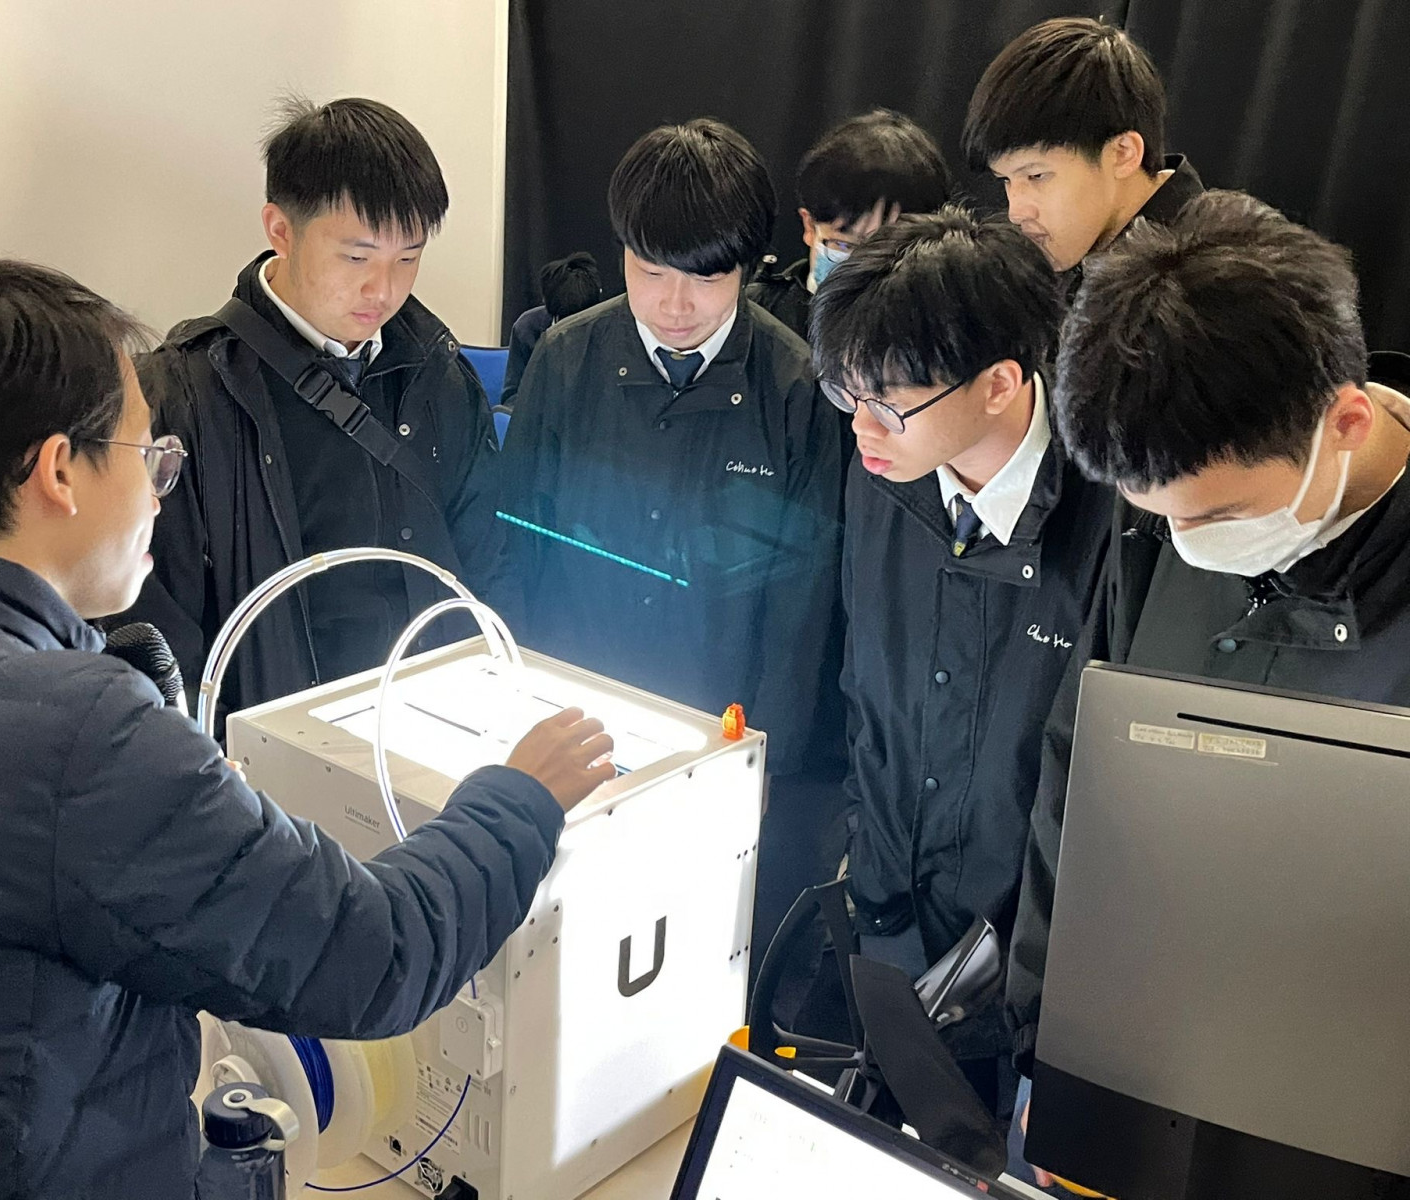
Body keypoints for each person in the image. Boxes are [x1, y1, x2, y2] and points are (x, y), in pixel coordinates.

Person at [0, 253, 616, 1199]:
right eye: (151, 456)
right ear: (59, 471)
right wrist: (520, 799)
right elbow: (376, 954)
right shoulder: (80, 735)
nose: (162, 492)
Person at [1006, 192, 1410, 1177]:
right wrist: (1047, 1043)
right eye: (1158, 516)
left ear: (1345, 421)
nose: (1185, 545)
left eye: (1217, 518)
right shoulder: (1164, 509)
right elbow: (1081, 782)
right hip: (1143, 1079)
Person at [804, 205, 1111, 1122]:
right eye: (846, 396)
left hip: (1032, 976)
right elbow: (865, 685)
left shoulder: (1116, 512)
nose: (862, 428)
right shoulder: (885, 465)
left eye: (888, 403)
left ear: (1000, 383)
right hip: (884, 914)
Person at [123, 96, 504, 720]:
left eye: (408, 258)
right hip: (270, 744)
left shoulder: (437, 372)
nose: (383, 289)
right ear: (280, 230)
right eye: (356, 257)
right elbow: (158, 634)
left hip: (436, 719)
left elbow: (488, 558)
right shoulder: (184, 395)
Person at [500, 117, 843, 783]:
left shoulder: (795, 385)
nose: (675, 304)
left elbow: (802, 608)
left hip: (717, 727)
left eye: (706, 279)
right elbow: (517, 543)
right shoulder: (566, 358)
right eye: (651, 272)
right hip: (575, 720)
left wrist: (765, 763)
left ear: (747, 266)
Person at [963, 16, 1204, 287]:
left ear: (1122, 154)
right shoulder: (1080, 250)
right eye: (1006, 180)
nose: (1016, 213)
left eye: (1036, 176)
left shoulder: (1207, 283)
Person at [750, 108, 952, 341]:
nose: (866, 266)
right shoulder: (756, 320)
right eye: (846, 246)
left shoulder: (948, 331)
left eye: (892, 250)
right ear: (809, 227)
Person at [498, 251, 603, 407]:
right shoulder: (527, 328)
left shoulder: (610, 330)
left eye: (581, 321)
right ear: (546, 301)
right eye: (565, 320)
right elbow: (513, 396)